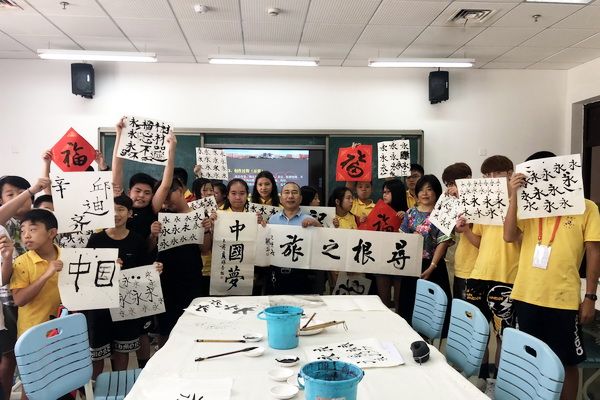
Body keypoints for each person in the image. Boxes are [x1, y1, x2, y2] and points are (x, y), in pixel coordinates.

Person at [504, 151, 600, 400]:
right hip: (526, 294)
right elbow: (509, 235)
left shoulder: (586, 207)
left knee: (566, 361)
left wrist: (590, 296)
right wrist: (514, 197)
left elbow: (594, 251)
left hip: (563, 299)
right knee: (528, 358)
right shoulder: (529, 206)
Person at [111, 117, 177, 366]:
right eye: (137, 191)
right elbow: (116, 174)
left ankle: (143, 369)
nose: (141, 196)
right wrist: (119, 136)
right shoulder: (120, 207)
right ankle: (122, 374)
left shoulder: (152, 209)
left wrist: (171, 149)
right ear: (128, 192)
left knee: (143, 329)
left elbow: (166, 182)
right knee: (120, 330)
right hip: (117, 273)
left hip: (145, 273)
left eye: (147, 192)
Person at [455, 156, 520, 390]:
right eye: (487, 175)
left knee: (504, 335)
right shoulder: (485, 203)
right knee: (477, 331)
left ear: (510, 174)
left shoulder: (522, 203)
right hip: (478, 275)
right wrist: (465, 231)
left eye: (497, 174)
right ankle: (479, 378)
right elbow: (480, 242)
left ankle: (497, 383)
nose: (491, 179)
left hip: (507, 277)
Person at [84, 195, 161, 378]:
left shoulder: (137, 240)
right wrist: (107, 267)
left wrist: (155, 269)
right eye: (112, 209)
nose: (116, 214)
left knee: (122, 350)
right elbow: (86, 271)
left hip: (126, 303)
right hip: (100, 305)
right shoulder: (96, 239)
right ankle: (94, 389)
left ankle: (120, 384)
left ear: (130, 213)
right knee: (97, 354)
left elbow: (144, 269)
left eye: (121, 209)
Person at [0, 176, 48, 400]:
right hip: (10, 299)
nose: (18, 198)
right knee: (8, 355)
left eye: (22, 193)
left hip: (40, 297)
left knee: (35, 354)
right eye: (11, 194)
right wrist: (29, 191)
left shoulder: (40, 220)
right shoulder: (6, 224)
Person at [154, 178, 213, 346]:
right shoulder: (161, 216)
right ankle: (164, 356)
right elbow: (148, 247)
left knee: (192, 324)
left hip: (191, 277)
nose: (165, 201)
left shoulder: (198, 215)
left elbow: (205, 249)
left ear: (180, 190)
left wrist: (206, 230)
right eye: (162, 197)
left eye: (168, 195)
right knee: (165, 327)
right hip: (164, 278)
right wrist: (153, 234)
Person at [399, 175, 452, 334]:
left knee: (432, 310)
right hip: (411, 266)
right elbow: (402, 238)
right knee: (410, 307)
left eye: (429, 189)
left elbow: (443, 242)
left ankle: (430, 343)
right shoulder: (410, 213)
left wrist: (433, 266)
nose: (425, 193)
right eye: (421, 190)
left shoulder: (442, 214)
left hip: (434, 266)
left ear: (436, 192)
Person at [267, 182, 322, 294]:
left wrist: (317, 225)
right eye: (286, 192)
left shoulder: (310, 220)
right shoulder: (272, 220)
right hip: (276, 274)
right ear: (281, 199)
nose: (290, 196)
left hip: (302, 275)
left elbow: (322, 242)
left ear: (300, 198)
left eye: (294, 192)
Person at [441, 162, 477, 301]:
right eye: (448, 184)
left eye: (453, 183)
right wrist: (448, 203)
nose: (451, 188)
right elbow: (455, 228)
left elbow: (470, 224)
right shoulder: (453, 200)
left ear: (468, 179)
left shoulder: (478, 199)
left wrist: (461, 198)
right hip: (461, 262)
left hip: (476, 265)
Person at [375, 179, 408, 309]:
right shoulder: (378, 211)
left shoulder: (408, 213)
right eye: (384, 192)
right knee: (383, 301)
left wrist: (406, 218)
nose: (385, 195)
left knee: (400, 300)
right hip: (382, 259)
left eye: (388, 192)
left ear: (397, 193)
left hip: (400, 260)